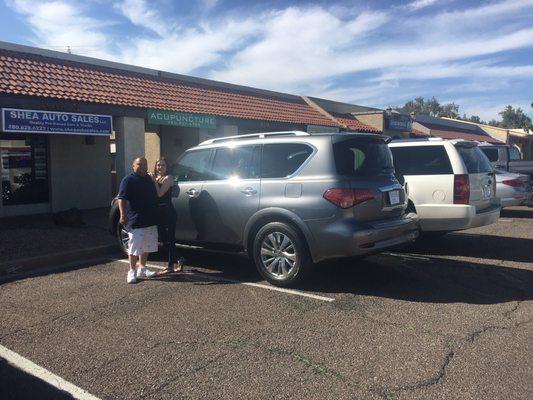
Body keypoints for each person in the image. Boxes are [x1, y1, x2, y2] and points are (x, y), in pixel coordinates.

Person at [117, 157, 159, 284]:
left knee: (147, 245)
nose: (143, 167)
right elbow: (121, 198)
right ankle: (132, 271)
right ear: (133, 166)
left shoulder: (149, 179)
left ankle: (143, 267)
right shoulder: (128, 180)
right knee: (135, 247)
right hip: (135, 219)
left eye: (145, 164)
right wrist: (123, 215)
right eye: (139, 164)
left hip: (150, 219)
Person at [150, 157, 185, 275]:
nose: (160, 167)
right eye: (158, 165)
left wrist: (153, 181)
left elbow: (159, 194)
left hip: (167, 211)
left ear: (167, 167)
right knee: (163, 239)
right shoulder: (157, 178)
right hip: (158, 211)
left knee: (170, 239)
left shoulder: (168, 178)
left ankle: (170, 265)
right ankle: (179, 259)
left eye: (163, 165)